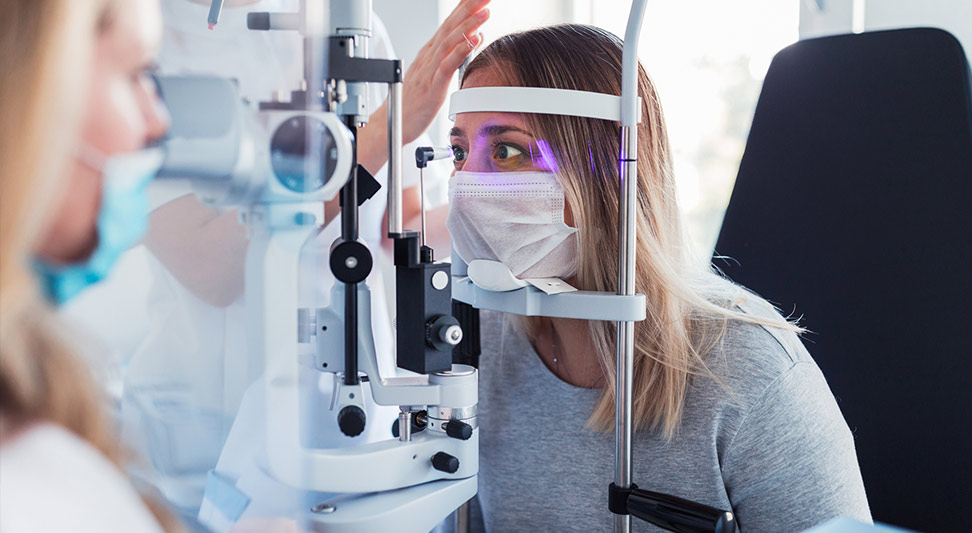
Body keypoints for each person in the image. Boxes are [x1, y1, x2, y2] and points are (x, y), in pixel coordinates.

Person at [446, 24, 871, 531]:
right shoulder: (480, 345)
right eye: (458, 152)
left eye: (506, 151)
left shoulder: (749, 374)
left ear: (607, 166)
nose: (465, 183)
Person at [110, 0, 490, 529]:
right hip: (204, 437)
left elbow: (395, 220)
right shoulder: (143, 31)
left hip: (357, 417)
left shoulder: (353, 24)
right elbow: (212, 267)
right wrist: (383, 130)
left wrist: (508, 194)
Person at [0, 0, 178, 531]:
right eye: (136, 74)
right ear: (34, 89)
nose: (157, 120)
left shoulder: (37, 378)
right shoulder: (30, 484)